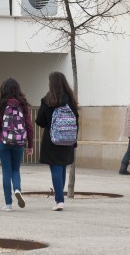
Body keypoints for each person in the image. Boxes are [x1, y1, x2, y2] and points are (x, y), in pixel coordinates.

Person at [35, 71, 79, 211]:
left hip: (52, 139)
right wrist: (74, 139)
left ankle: (59, 200)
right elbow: (76, 120)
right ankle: (61, 198)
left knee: (55, 167)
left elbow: (40, 121)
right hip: (68, 140)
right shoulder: (71, 100)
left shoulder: (48, 100)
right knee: (62, 167)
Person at [0, 78, 34, 211]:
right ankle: (18, 190)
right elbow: (29, 126)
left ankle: (8, 204)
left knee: (6, 171)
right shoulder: (23, 104)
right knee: (15, 170)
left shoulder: (1, 104)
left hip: (3, 141)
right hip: (19, 142)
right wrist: (30, 145)